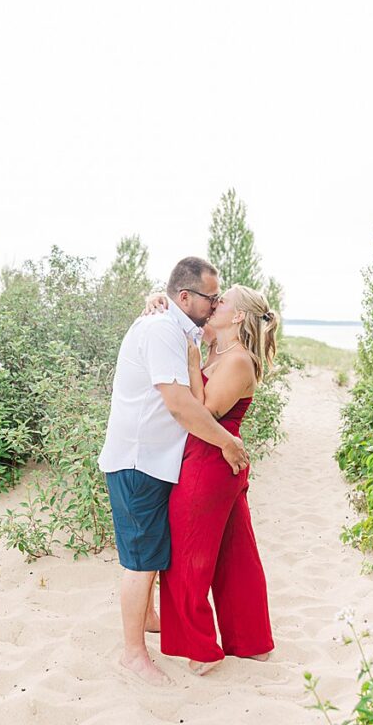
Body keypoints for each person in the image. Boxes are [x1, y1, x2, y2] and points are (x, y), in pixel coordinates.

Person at [99, 256, 251, 686]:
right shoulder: (162, 328)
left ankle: (148, 618)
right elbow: (181, 405)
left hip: (155, 461)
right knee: (141, 561)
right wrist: (227, 442)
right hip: (139, 459)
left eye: (221, 298)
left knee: (151, 551)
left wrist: (156, 301)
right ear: (185, 297)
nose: (216, 303)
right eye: (211, 297)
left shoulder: (176, 326)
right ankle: (133, 655)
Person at [158, 284, 279, 673]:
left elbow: (206, 410)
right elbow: (178, 316)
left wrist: (193, 367)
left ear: (239, 315)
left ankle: (200, 648)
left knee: (188, 553)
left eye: (222, 301)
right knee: (236, 555)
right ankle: (252, 642)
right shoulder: (217, 347)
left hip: (212, 461)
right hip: (213, 458)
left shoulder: (239, 359)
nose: (215, 305)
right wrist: (156, 300)